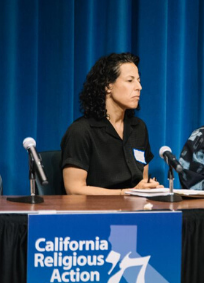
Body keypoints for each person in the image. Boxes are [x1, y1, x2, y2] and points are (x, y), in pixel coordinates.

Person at [61, 52, 161, 195]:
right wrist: (126, 193)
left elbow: (142, 181)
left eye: (138, 80)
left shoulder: (138, 128)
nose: (139, 87)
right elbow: (74, 190)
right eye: (130, 80)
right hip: (96, 213)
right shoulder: (81, 131)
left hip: (135, 211)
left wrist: (148, 189)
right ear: (108, 86)